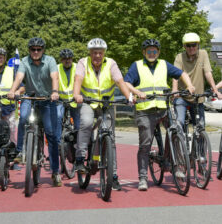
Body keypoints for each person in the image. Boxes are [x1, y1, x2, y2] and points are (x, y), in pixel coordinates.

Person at [124, 39, 195, 191]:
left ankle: (174, 164)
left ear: (158, 52)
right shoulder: (136, 65)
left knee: (175, 131)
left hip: (163, 107)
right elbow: (127, 82)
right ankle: (143, 177)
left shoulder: (164, 64)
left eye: (154, 51)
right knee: (145, 144)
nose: (151, 53)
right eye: (148, 51)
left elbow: (182, 73)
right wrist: (137, 92)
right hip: (145, 110)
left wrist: (189, 85)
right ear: (144, 52)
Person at [73, 38, 131, 191]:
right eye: (94, 53)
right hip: (88, 102)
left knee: (110, 137)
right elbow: (78, 79)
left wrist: (129, 97)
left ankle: (113, 176)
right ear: (90, 53)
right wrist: (76, 95)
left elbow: (119, 81)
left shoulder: (111, 63)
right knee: (85, 123)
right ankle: (80, 158)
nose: (97, 55)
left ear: (104, 53)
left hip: (106, 105)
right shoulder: (82, 63)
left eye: (100, 53)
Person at [7, 37, 61, 187]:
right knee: (23, 118)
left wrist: (55, 91)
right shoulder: (25, 61)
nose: (36, 52)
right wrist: (12, 91)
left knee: (51, 135)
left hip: (48, 98)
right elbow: (19, 77)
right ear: (29, 51)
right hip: (30, 97)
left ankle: (55, 172)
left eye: (39, 49)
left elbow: (54, 77)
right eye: (33, 49)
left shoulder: (50, 61)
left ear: (43, 50)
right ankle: (20, 152)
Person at [172, 33, 222, 127]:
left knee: (200, 126)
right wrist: (174, 90)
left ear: (198, 45)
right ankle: (179, 139)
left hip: (197, 98)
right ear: (184, 46)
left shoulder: (203, 54)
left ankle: (199, 141)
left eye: (194, 45)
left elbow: (208, 73)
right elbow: (176, 75)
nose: (191, 48)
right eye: (188, 45)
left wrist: (215, 90)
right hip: (182, 96)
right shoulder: (179, 57)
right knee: (180, 123)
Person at [56, 48, 80, 144]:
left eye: (69, 58)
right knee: (57, 116)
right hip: (61, 100)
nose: (67, 60)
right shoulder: (57, 68)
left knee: (78, 123)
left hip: (74, 100)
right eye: (65, 58)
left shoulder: (78, 67)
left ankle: (78, 143)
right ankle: (58, 143)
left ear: (72, 59)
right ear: (61, 60)